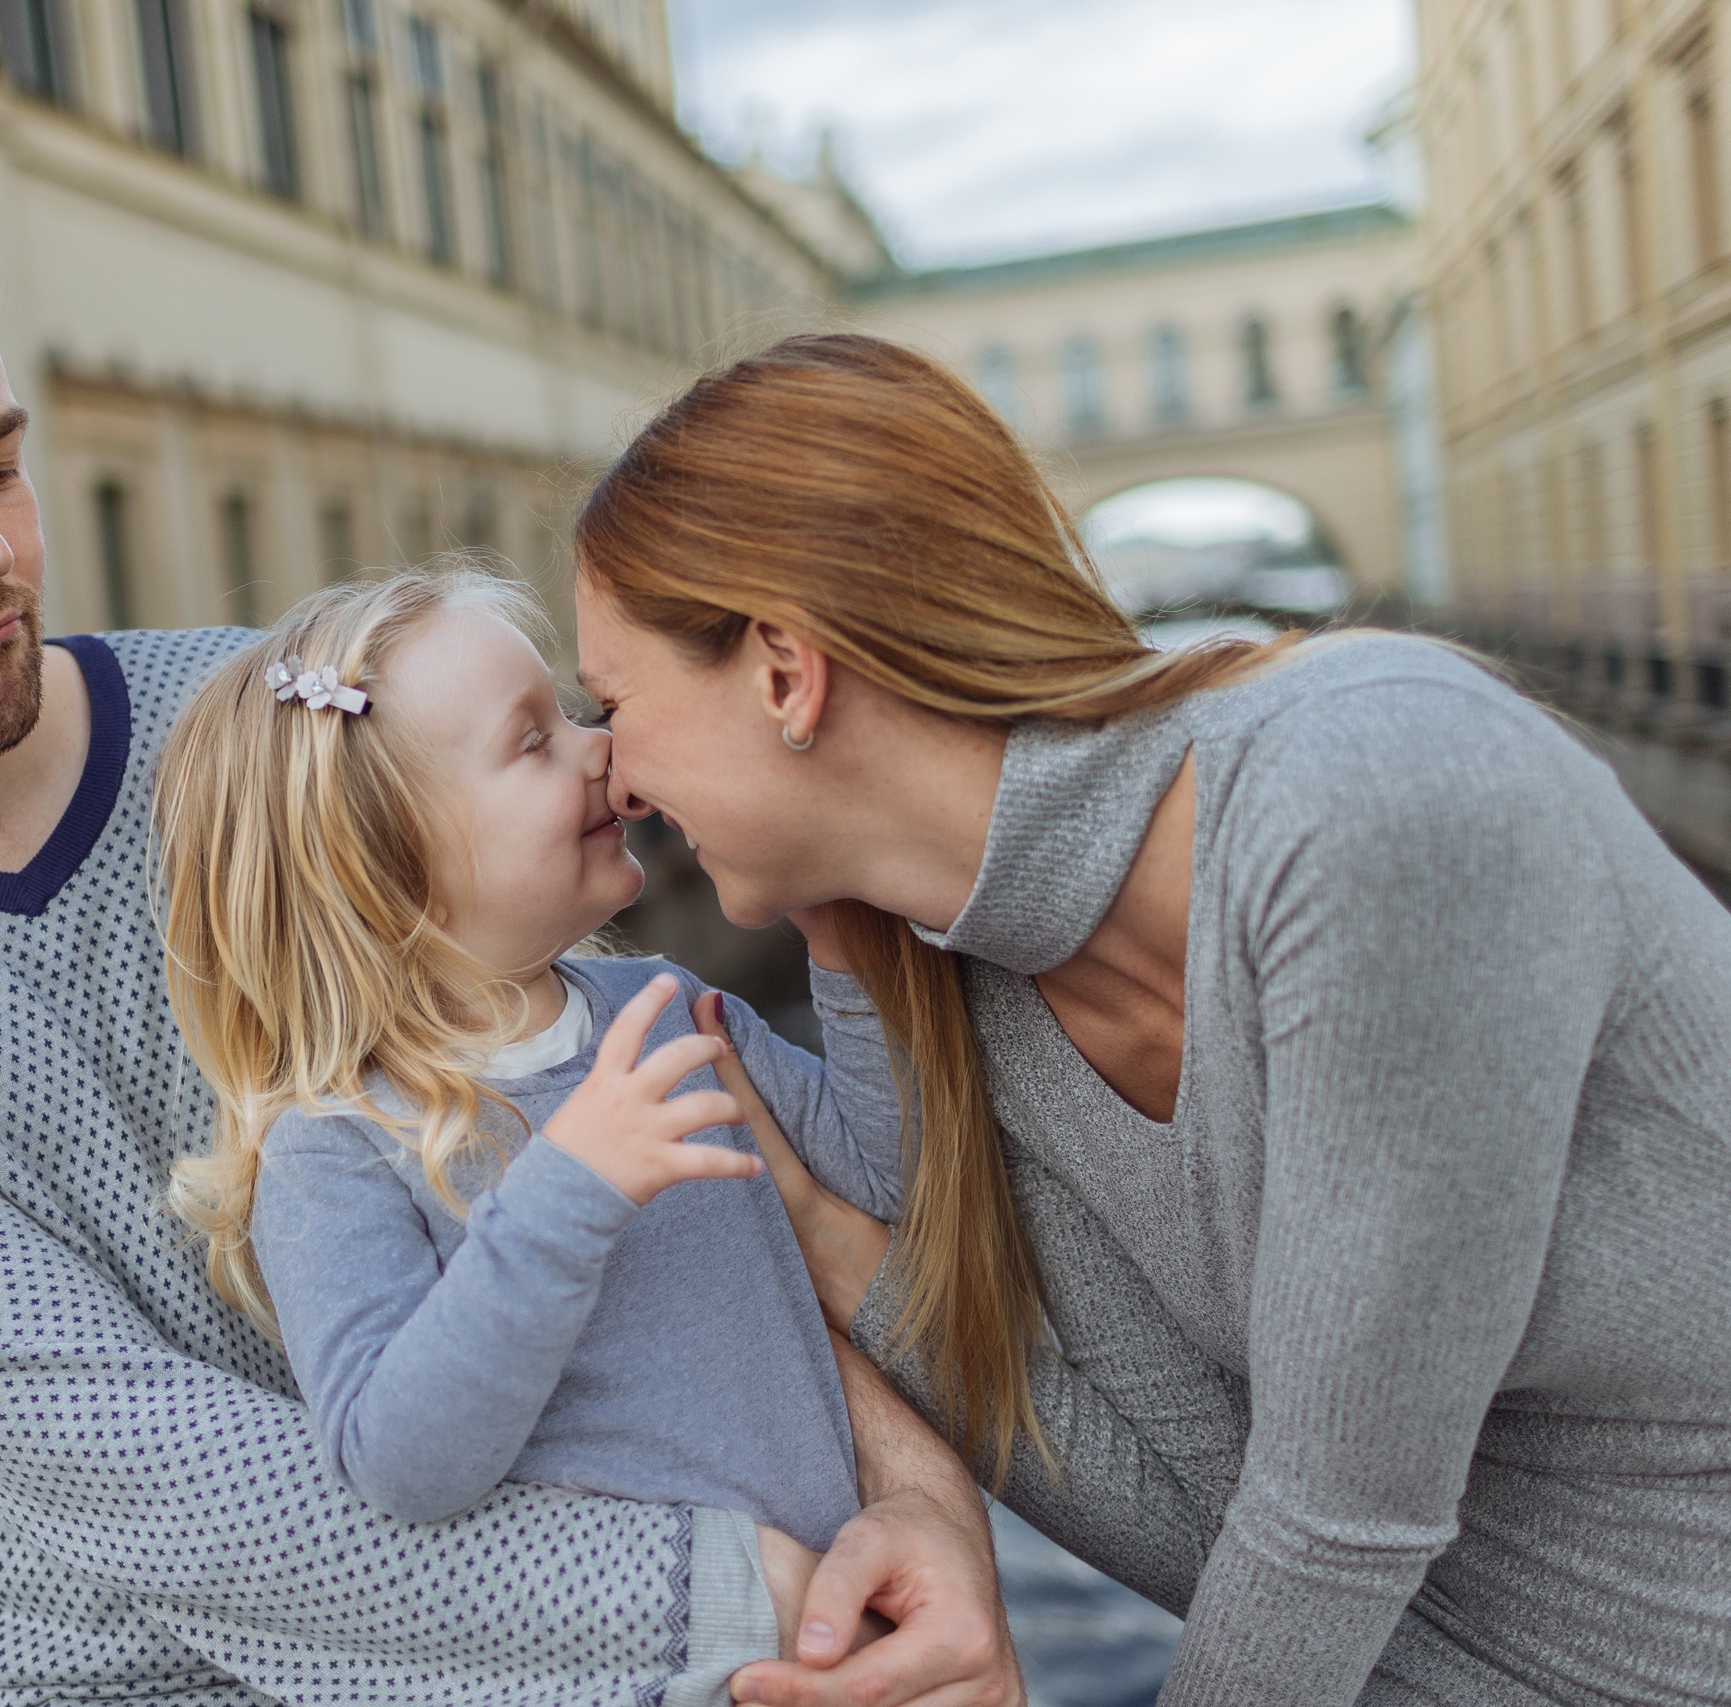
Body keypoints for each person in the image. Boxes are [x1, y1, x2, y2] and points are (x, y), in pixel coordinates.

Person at [0, 178, 1021, 1704]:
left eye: (1, 464)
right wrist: (746, 1591)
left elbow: (747, 1233)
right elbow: (151, 1474)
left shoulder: (295, 731)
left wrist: (913, 1516)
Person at [567, 330, 1731, 1706]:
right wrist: (824, 1210)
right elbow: (1196, 1509)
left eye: (613, 700)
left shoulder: (1375, 796)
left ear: (782, 670)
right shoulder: (961, 972)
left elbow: (1338, 1520)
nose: (614, 775)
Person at [152, 569, 900, 1556]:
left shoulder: (668, 1012)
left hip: (848, 1622)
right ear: (389, 875)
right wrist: (567, 1192)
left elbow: (888, 1178)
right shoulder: (335, 1147)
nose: (603, 747)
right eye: (533, 740)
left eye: (573, 713)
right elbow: (400, 1465)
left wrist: (842, 951)